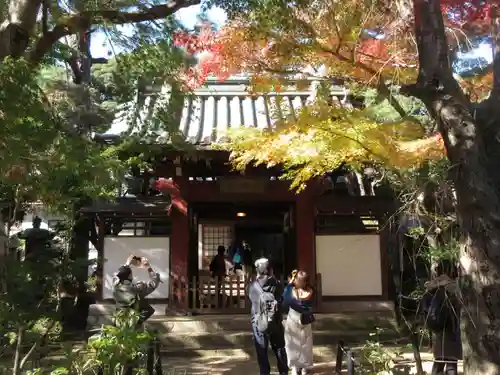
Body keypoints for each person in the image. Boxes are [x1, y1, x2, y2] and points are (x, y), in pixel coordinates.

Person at [248, 258, 288, 375]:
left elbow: (252, 301)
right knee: (280, 348)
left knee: (262, 351)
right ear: (269, 270)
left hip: (258, 322)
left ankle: (265, 373)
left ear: (257, 271)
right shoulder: (277, 284)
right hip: (275, 321)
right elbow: (282, 301)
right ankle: (283, 372)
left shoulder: (252, 286)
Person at [421, 261, 462, 375]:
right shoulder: (455, 288)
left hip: (437, 330)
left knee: (439, 362)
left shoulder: (432, 289)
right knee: (451, 362)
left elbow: (424, 307)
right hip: (453, 329)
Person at [113, 255, 160, 326]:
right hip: (132, 322)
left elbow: (118, 276)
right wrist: (149, 267)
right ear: (130, 276)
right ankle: (137, 323)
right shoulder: (136, 289)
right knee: (149, 309)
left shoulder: (116, 286)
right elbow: (153, 284)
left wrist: (127, 263)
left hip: (119, 320)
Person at [283, 270, 315, 375]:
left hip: (296, 319)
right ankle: (299, 367)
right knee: (299, 343)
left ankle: (299, 367)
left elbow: (285, 301)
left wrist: (290, 282)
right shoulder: (310, 291)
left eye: (298, 280)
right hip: (301, 319)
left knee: (298, 344)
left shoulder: (291, 291)